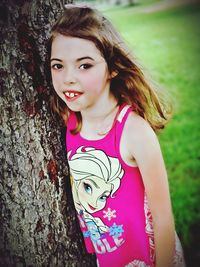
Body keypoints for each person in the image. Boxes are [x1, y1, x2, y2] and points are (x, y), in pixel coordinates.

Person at [48, 3, 186, 267]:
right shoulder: (70, 120)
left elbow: (163, 217)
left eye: (84, 66)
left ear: (112, 67)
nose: (68, 79)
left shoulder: (134, 133)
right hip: (109, 257)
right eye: (58, 66)